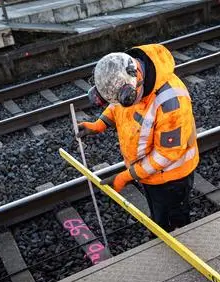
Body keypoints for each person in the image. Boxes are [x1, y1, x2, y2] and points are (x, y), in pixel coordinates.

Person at [77, 44, 199, 232]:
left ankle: (175, 239)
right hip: (149, 174)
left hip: (172, 178)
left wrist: (127, 176)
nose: (122, 105)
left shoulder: (171, 103)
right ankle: (159, 228)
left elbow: (166, 155)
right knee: (158, 213)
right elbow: (118, 106)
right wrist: (99, 124)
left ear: (137, 83)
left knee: (174, 222)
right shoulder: (130, 85)